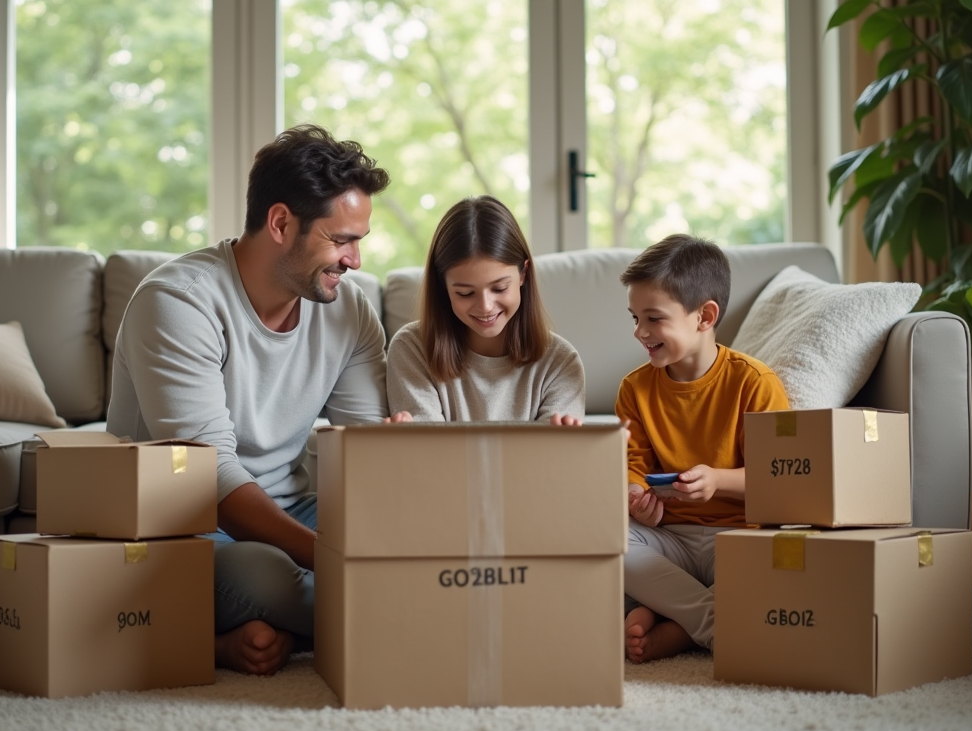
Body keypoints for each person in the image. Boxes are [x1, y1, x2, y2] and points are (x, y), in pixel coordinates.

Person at [107, 125, 391, 676]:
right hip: (181, 525)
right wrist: (339, 559)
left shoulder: (348, 310)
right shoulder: (178, 302)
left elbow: (365, 454)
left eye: (360, 239)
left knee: (405, 531)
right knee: (260, 574)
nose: (354, 260)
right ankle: (418, 612)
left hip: (291, 509)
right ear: (281, 223)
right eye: (341, 240)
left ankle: (256, 625)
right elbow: (207, 482)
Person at [615, 233, 788, 663]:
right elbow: (631, 465)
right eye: (635, 317)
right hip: (667, 537)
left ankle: (670, 626)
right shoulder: (634, 389)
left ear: (704, 316)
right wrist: (635, 495)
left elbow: (781, 480)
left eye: (654, 319)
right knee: (609, 542)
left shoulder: (754, 382)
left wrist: (718, 481)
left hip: (739, 536)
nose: (640, 331)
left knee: (783, 567)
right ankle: (714, 623)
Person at [386, 196, 584, 425]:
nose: (485, 306)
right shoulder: (412, 349)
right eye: (465, 293)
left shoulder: (560, 362)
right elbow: (429, 452)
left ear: (523, 274)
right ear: (443, 286)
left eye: (499, 288)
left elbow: (548, 456)